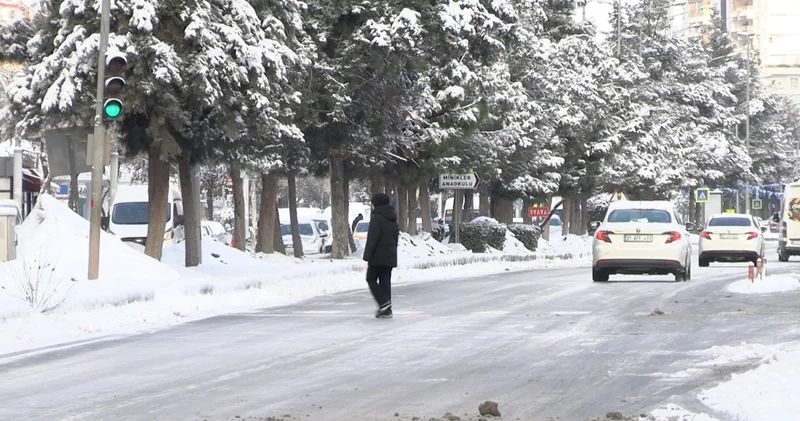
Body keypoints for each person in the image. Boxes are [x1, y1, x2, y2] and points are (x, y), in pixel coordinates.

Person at [363, 193, 399, 318]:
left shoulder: (377, 218)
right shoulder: (392, 217)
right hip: (390, 255)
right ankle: (386, 310)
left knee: (371, 279)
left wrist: (367, 256)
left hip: (377, 256)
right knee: (385, 281)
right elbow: (395, 237)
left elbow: (372, 239)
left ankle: (384, 303)